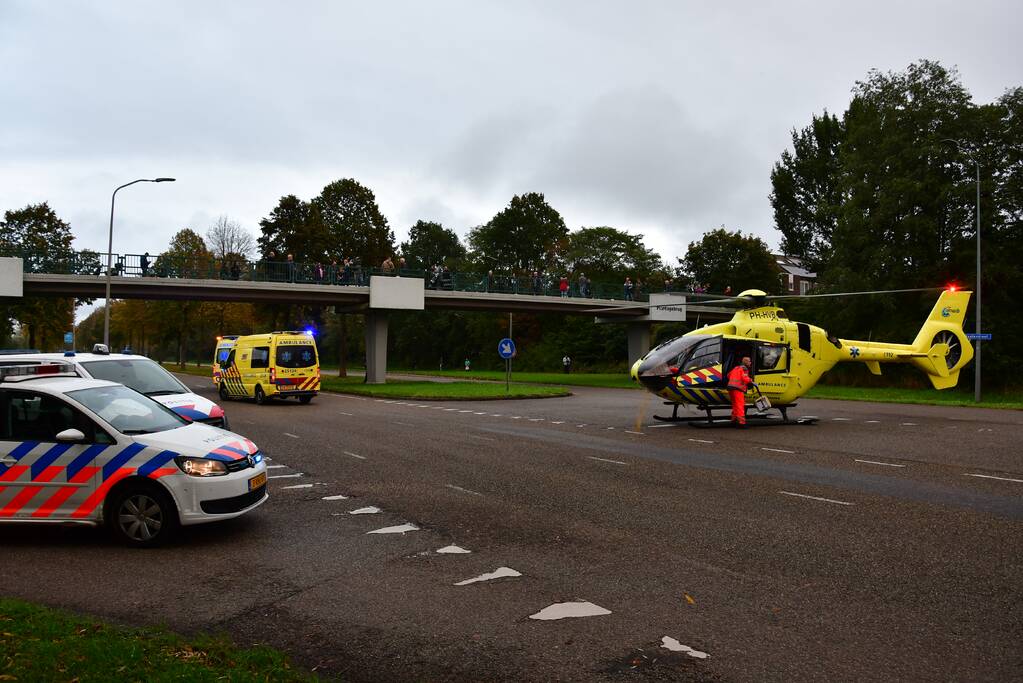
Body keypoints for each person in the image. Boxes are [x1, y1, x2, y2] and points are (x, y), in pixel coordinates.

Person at [727, 356, 756, 427]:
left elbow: (728, 375)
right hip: (738, 389)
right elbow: (744, 378)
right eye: (749, 361)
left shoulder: (736, 367)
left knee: (735, 405)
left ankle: (733, 420)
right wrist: (751, 380)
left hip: (730, 388)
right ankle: (741, 423)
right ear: (746, 362)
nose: (750, 362)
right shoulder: (744, 369)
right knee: (740, 405)